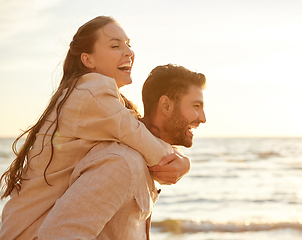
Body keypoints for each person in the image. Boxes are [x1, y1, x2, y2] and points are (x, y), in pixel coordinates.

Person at [0, 16, 190, 239]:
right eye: (115, 45)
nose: (128, 52)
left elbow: (141, 135)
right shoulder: (91, 92)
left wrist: (181, 159)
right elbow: (149, 147)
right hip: (32, 233)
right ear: (88, 60)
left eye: (128, 44)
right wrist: (182, 163)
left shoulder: (92, 96)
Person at [37, 64, 206, 239]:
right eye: (196, 106)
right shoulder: (121, 162)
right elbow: (56, 235)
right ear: (166, 105)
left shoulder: (147, 157)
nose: (203, 118)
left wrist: (185, 162)